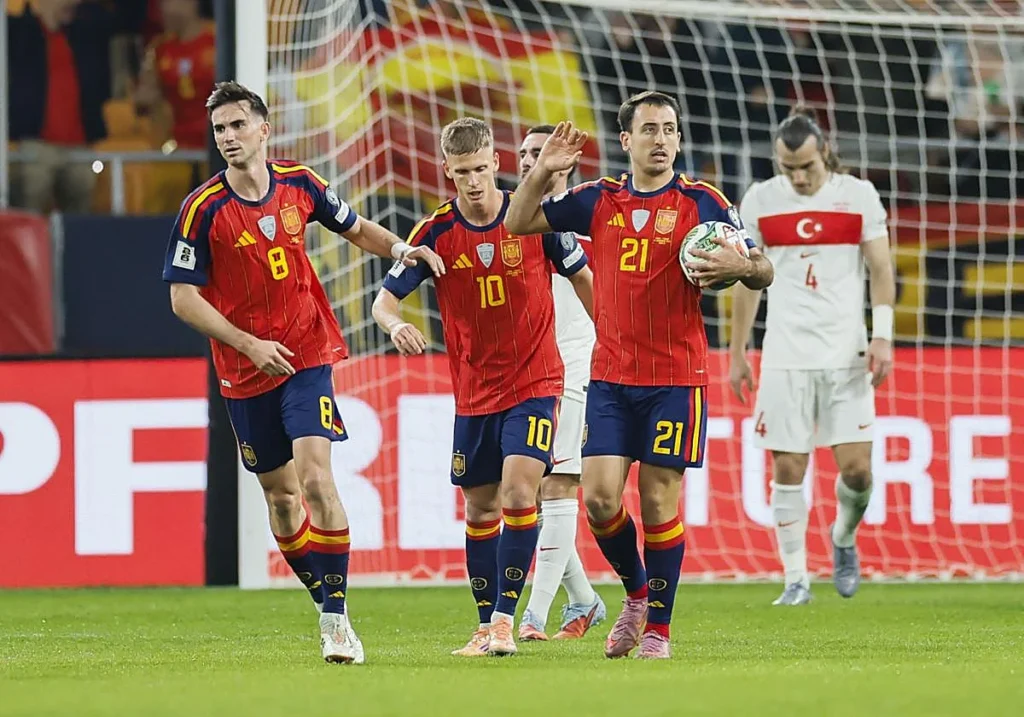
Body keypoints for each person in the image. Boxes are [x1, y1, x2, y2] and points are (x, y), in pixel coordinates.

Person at [161, 81, 443, 664]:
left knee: (316, 479)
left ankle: (337, 621)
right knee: (283, 498)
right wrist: (248, 344)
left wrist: (400, 250)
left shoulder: (301, 183)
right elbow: (182, 298)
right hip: (244, 368)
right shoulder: (202, 208)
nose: (229, 137)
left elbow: (356, 227)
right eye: (220, 129)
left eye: (238, 125)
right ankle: (326, 602)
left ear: (264, 129)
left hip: (306, 354)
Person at [506, 91, 774, 659]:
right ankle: (636, 595)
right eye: (650, 129)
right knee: (600, 500)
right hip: (611, 376)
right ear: (626, 140)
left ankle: (659, 630)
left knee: (658, 503)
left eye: (669, 129)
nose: (661, 139)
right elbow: (517, 220)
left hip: (676, 378)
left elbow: (763, 268)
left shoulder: (702, 202)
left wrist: (743, 264)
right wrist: (543, 171)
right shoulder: (598, 199)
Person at [371, 118, 595, 657]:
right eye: (461, 172)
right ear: (447, 171)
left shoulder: (533, 219)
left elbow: (584, 278)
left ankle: (503, 622)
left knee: (520, 492)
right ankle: (483, 622)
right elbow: (383, 301)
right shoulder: (434, 233)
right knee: (479, 510)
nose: (473, 182)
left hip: (536, 380)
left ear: (496, 163)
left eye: (480, 169)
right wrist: (395, 325)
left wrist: (611, 340)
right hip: (474, 391)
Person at [729, 106, 895, 606]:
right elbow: (747, 281)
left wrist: (883, 336)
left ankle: (843, 536)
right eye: (788, 168)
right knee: (787, 469)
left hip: (846, 353)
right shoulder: (760, 199)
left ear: (824, 151)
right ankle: (796, 578)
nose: (798, 177)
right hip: (785, 353)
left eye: (806, 166)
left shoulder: (858, 195)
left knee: (858, 472)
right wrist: (738, 351)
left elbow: (881, 270)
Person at [515, 125, 606, 642]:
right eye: (525, 153)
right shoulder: (511, 219)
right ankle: (585, 599)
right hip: (525, 368)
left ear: (565, 160)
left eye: (541, 151)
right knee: (524, 493)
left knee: (557, 485)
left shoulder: (591, 218)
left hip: (576, 361)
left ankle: (533, 615)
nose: (531, 160)